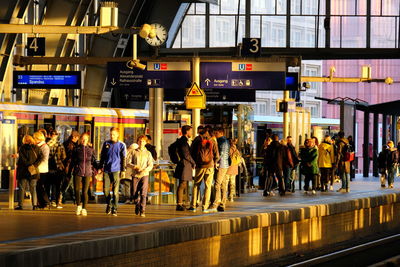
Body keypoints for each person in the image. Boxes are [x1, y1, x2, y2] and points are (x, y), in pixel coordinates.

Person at [189, 127, 219, 212]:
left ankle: (193, 206)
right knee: (208, 186)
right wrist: (214, 162)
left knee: (196, 185)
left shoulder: (197, 140)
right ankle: (205, 207)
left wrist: (194, 162)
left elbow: (191, 152)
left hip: (199, 166)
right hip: (209, 166)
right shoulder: (213, 141)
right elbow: (217, 155)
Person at [100, 127, 127, 216]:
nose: (112, 136)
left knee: (115, 191)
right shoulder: (106, 144)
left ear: (118, 135)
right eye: (111, 134)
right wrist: (100, 167)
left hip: (116, 170)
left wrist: (123, 170)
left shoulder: (121, 145)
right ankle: (109, 204)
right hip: (107, 170)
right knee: (105, 190)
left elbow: (123, 158)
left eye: (114, 134)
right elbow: (102, 156)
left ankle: (115, 208)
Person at [71, 133, 97, 216]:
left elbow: (94, 161)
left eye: (85, 139)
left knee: (85, 191)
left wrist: (99, 168)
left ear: (88, 140)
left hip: (88, 172)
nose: (84, 140)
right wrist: (69, 172)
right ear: (80, 139)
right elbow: (72, 161)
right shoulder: (76, 149)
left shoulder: (91, 150)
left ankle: (84, 208)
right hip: (78, 171)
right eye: (82, 139)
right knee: (77, 190)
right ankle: (78, 206)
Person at [14, 135, 43, 210]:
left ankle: (20, 205)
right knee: (33, 188)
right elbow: (41, 157)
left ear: (24, 140)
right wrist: (34, 165)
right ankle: (35, 205)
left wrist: (28, 165)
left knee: (21, 188)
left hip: (23, 171)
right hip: (33, 171)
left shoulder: (22, 148)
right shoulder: (37, 148)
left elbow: (22, 160)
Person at [128, 135, 154, 217]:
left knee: (143, 193)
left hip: (144, 175)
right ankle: (137, 203)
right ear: (137, 142)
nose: (141, 143)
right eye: (140, 141)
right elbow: (128, 162)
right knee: (134, 192)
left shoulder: (148, 153)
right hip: (135, 175)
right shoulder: (133, 152)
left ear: (146, 142)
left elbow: (150, 165)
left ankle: (143, 210)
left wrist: (145, 170)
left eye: (143, 141)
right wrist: (134, 166)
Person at [174, 125, 196, 211]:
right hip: (184, 165)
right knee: (182, 184)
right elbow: (186, 154)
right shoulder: (183, 141)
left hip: (184, 164)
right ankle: (179, 204)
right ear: (187, 132)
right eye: (190, 131)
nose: (191, 133)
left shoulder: (182, 140)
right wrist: (193, 162)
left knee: (183, 184)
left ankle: (181, 203)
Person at [208, 127, 230, 212]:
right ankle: (222, 204)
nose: (215, 135)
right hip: (225, 165)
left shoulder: (221, 141)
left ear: (221, 133)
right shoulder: (226, 141)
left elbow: (220, 153)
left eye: (216, 133)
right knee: (223, 185)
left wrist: (216, 162)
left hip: (221, 165)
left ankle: (216, 203)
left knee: (217, 184)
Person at [47, 130, 66, 208]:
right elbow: (64, 156)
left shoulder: (46, 145)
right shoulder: (60, 145)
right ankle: (54, 200)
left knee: (48, 184)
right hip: (57, 167)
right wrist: (59, 161)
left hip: (47, 167)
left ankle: (48, 200)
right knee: (55, 185)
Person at [62, 130, 80, 204]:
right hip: (70, 166)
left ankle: (70, 197)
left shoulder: (67, 143)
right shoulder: (72, 145)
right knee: (69, 182)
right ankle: (64, 196)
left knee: (70, 182)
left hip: (68, 165)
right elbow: (69, 157)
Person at [34, 131, 51, 208]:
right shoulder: (37, 146)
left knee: (40, 186)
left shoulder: (44, 147)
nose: (34, 140)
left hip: (42, 169)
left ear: (38, 138)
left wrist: (35, 164)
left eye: (35, 138)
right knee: (38, 187)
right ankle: (42, 203)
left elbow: (44, 158)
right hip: (38, 169)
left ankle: (45, 202)